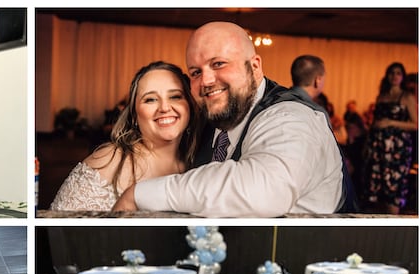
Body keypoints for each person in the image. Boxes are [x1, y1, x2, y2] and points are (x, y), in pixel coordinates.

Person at [112, 21, 348, 217]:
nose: (206, 81)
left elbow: (263, 191)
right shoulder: (212, 119)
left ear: (255, 67)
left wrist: (138, 195)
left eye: (218, 64)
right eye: (196, 72)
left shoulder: (293, 118)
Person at [49, 61, 201, 210]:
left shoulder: (198, 163)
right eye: (150, 99)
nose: (165, 107)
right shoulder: (108, 161)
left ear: (189, 105)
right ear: (134, 115)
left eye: (175, 96)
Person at [364, 62, 418, 214]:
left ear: (403, 77)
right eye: (392, 73)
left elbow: (416, 124)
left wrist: (390, 122)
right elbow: (375, 121)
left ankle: (394, 220)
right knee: (377, 187)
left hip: (397, 149)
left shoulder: (406, 96)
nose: (394, 76)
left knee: (393, 186)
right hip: (378, 145)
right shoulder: (381, 96)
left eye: (398, 73)